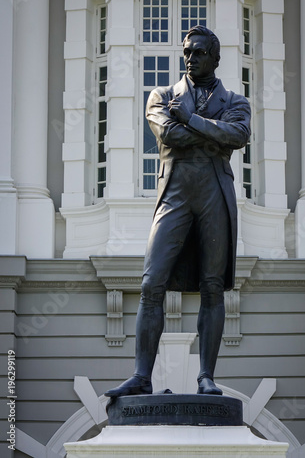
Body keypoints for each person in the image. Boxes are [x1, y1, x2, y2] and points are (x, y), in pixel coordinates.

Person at [105, 25, 251, 398]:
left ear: (215, 58)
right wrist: (209, 132)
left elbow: (237, 137)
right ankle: (141, 375)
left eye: (199, 52)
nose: (190, 58)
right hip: (175, 194)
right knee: (151, 282)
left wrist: (190, 119)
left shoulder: (236, 100)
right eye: (186, 52)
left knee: (212, 287)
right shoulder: (162, 95)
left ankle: (206, 377)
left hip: (215, 195)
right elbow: (169, 136)